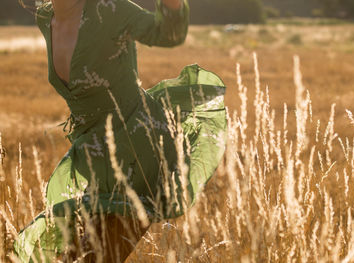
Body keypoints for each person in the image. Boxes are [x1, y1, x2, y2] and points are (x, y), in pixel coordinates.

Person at [13, 0, 227, 261]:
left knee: (96, 257)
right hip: (94, 158)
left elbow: (169, 32)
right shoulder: (47, 18)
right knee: (75, 256)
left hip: (138, 151)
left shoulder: (111, 11)